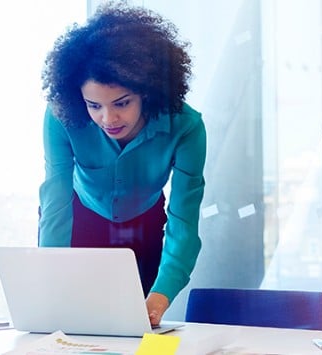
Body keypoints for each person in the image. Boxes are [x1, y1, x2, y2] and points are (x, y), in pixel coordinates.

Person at [38, 2, 206, 326]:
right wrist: (50, 279)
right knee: (68, 326)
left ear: (148, 91)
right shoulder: (60, 116)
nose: (108, 118)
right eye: (94, 105)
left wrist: (162, 294)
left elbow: (184, 222)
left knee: (141, 328)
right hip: (79, 220)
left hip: (143, 227)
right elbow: (55, 203)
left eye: (122, 103)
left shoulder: (187, 127)